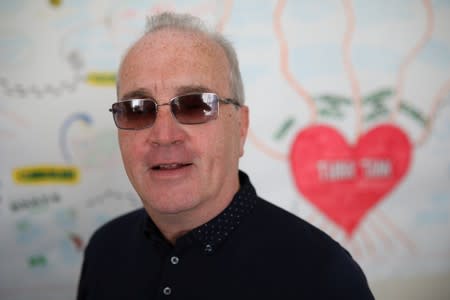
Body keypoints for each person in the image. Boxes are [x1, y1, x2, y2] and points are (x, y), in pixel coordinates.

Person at [77, 12, 374, 299]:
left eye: (195, 105)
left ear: (241, 126)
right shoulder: (104, 249)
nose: (164, 136)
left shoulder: (324, 276)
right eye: (138, 110)